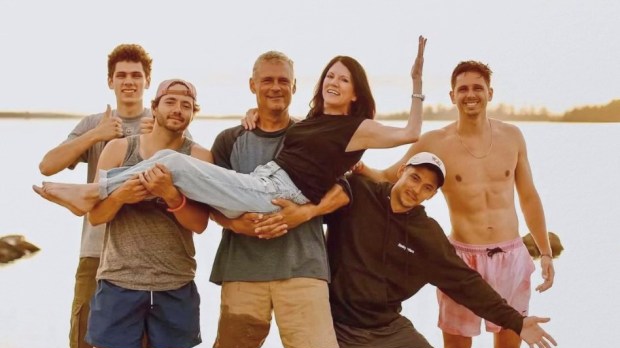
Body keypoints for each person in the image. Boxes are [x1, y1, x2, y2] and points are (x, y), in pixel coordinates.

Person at [32, 36, 428, 226]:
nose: (333, 82)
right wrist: (251, 114)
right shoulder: (312, 121)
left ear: (356, 90)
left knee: (170, 160)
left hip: (276, 194)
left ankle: (93, 191)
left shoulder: (358, 127)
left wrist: (416, 83)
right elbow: (293, 136)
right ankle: (97, 192)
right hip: (256, 184)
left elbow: (411, 133)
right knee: (170, 166)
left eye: (343, 79)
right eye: (329, 76)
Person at [356, 61, 556, 348]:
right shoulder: (436, 142)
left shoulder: (512, 136)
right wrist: (355, 166)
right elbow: (389, 177)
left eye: (477, 87)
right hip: (462, 260)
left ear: (490, 92)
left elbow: (529, 196)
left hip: (511, 257)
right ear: (452, 95)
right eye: (463, 88)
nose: (470, 94)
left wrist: (544, 252)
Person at [325, 152, 556, 348]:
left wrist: (517, 322)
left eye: (427, 187)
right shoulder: (358, 192)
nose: (416, 190)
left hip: (389, 327)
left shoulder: (427, 235)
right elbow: (313, 190)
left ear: (432, 195)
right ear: (401, 172)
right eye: (414, 178)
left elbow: (466, 283)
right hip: (344, 330)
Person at [208, 51, 350, 348]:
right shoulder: (229, 140)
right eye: (268, 80)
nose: (275, 87)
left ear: (295, 87)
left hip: (303, 268)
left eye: (283, 81)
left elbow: (343, 191)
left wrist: (303, 214)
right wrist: (233, 224)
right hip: (242, 268)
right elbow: (210, 200)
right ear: (252, 85)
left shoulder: (313, 134)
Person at [37, 43, 154, 348]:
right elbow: (48, 165)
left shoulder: (163, 121)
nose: (128, 81)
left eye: (136, 75)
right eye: (121, 76)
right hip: (96, 253)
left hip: (147, 259)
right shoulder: (93, 123)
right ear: (110, 82)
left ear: (147, 81)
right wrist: (96, 135)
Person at [83, 78, 211, 348]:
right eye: (170, 101)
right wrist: (121, 196)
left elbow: (200, 224)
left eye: (186, 105)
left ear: (193, 114)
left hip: (174, 281)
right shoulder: (118, 149)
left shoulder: (200, 157)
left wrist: (171, 195)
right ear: (154, 108)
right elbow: (96, 216)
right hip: (119, 279)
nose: (178, 109)